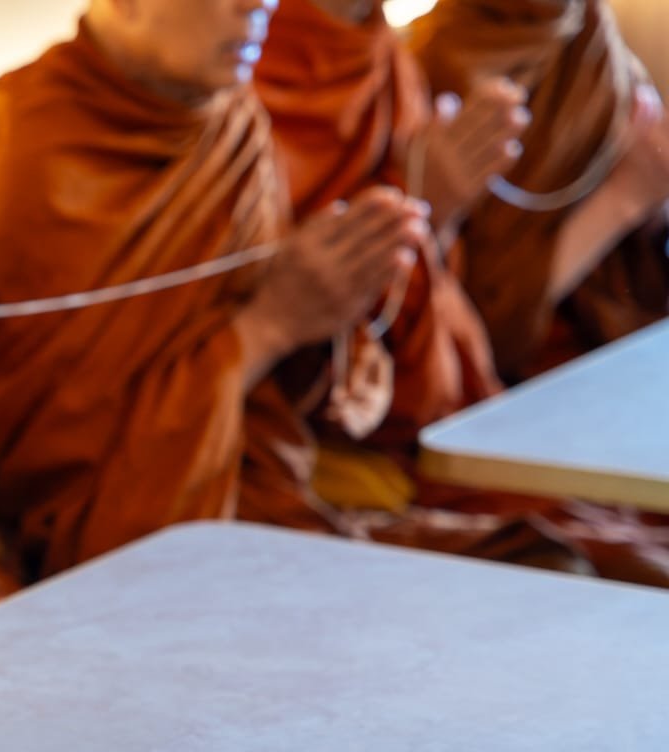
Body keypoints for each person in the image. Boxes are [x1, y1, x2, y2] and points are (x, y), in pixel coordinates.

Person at [0, 0, 659, 583]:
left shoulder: (232, 120)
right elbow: (35, 474)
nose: (259, 7)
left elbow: (298, 396)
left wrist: (348, 294)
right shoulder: (45, 145)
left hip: (272, 491)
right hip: (144, 532)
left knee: (575, 557)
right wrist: (270, 326)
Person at [250, 0, 669, 588]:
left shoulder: (583, 41)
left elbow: (439, 296)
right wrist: (624, 199)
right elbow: (489, 331)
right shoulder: (415, 63)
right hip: (466, 414)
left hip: (559, 386)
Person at [410, 0, 669, 383]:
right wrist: (623, 201)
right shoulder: (427, 67)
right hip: (519, 389)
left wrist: (654, 203)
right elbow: (477, 334)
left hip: (624, 362)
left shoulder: (598, 43)